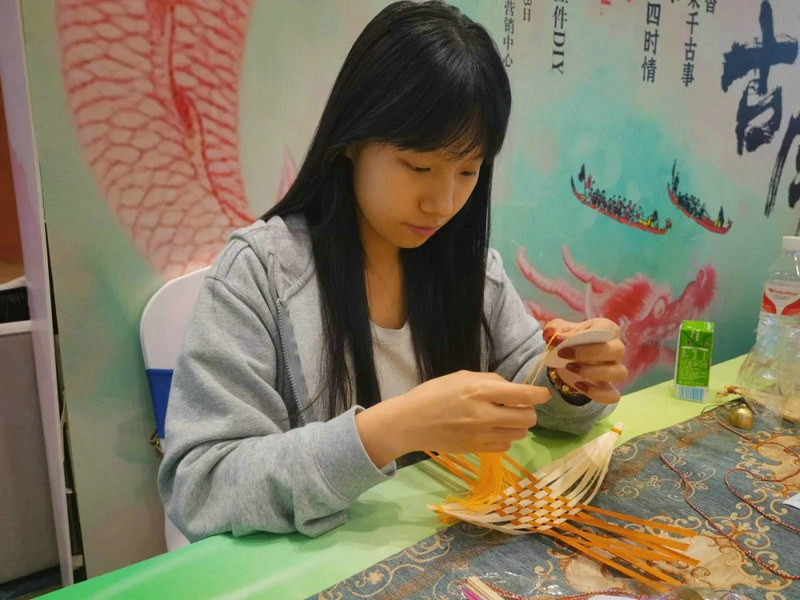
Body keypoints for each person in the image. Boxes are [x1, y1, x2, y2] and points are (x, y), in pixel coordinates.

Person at [158, 0, 627, 542]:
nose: (442, 202)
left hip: (449, 555)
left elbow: (532, 387)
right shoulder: (260, 274)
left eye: (468, 171)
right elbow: (201, 485)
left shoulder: (472, 270)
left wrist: (569, 380)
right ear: (353, 140)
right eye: (419, 166)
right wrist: (390, 430)